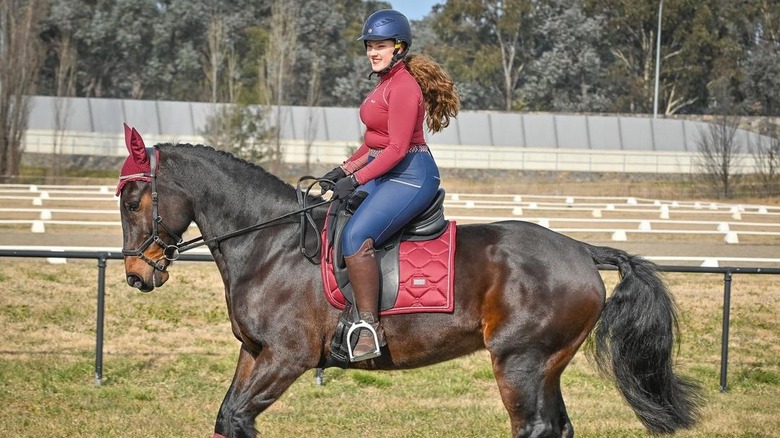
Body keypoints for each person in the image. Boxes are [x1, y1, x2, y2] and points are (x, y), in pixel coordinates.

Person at [319, 9, 460, 362]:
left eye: (379, 46)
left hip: (412, 175)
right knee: (334, 214)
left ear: (398, 47)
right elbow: (373, 144)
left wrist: (357, 179)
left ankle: (369, 327)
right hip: (389, 170)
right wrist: (340, 171)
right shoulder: (385, 84)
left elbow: (396, 148)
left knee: (355, 238)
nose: (372, 52)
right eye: (369, 46)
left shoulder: (403, 88)